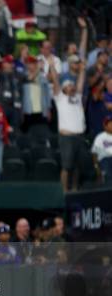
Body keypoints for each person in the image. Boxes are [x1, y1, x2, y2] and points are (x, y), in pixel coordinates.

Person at [49, 55, 86, 193]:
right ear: (64, 89)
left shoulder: (77, 97)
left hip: (79, 136)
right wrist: (52, 66)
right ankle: (64, 191)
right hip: (67, 137)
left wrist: (82, 69)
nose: (72, 87)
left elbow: (81, 82)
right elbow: (56, 81)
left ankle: (75, 189)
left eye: (72, 85)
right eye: (69, 85)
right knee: (66, 166)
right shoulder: (60, 98)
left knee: (77, 166)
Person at [92, 115, 112, 185]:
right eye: (109, 123)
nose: (111, 125)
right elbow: (94, 154)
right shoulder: (100, 137)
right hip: (105, 159)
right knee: (108, 176)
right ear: (105, 126)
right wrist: (97, 168)